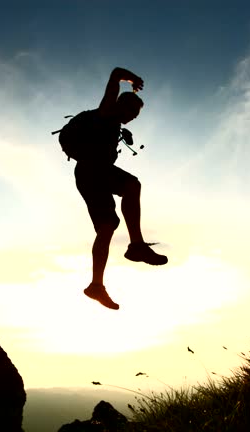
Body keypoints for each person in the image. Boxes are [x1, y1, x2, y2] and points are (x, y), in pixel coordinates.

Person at [75, 67, 168, 310]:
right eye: (133, 113)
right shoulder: (106, 110)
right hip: (92, 170)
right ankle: (136, 245)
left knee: (106, 228)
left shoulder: (113, 124)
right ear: (123, 105)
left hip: (90, 175)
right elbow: (115, 73)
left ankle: (96, 285)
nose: (133, 118)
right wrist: (133, 79)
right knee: (131, 184)